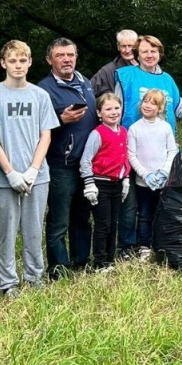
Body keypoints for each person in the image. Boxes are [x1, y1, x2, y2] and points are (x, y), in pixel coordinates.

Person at [114, 34, 182, 255]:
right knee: (130, 205)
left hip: (162, 154)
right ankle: (127, 247)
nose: (149, 55)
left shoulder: (168, 80)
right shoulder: (126, 76)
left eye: (153, 51)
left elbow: (180, 112)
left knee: (159, 203)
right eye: (145, 51)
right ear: (137, 54)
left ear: (160, 54)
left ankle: (156, 244)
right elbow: (115, 110)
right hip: (131, 150)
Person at [0, 40, 59, 297]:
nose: (18, 65)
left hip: (37, 176)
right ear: (3, 63)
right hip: (4, 178)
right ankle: (8, 283)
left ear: (30, 63)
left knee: (34, 229)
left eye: (22, 60)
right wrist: (11, 172)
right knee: (6, 231)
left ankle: (35, 277)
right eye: (12, 61)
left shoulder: (40, 95)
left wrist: (33, 170)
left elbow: (45, 135)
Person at [37, 38, 98, 278]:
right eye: (60, 55)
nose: (66, 59)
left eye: (70, 55)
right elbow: (35, 128)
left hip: (87, 165)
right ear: (49, 60)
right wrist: (61, 120)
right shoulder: (43, 89)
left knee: (83, 217)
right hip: (60, 164)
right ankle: (59, 269)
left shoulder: (86, 83)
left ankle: (81, 262)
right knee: (59, 220)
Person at [78, 93, 130, 271]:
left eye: (117, 108)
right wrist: (89, 183)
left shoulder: (123, 131)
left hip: (117, 183)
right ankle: (99, 262)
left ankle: (110, 258)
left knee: (114, 223)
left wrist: (126, 179)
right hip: (100, 184)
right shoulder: (97, 134)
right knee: (103, 224)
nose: (114, 112)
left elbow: (125, 158)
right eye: (108, 109)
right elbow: (85, 160)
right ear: (99, 113)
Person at [127, 89, 179, 259]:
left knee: (161, 212)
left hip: (163, 181)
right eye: (146, 101)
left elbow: (172, 151)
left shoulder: (165, 128)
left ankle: (161, 244)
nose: (148, 105)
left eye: (153, 103)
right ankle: (144, 246)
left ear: (160, 108)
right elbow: (131, 155)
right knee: (144, 214)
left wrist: (164, 171)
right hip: (143, 182)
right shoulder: (134, 129)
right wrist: (145, 174)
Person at [91, 30, 138, 98]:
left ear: (137, 46)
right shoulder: (107, 71)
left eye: (130, 46)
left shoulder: (146, 67)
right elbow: (88, 92)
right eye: (123, 46)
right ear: (118, 47)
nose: (127, 50)